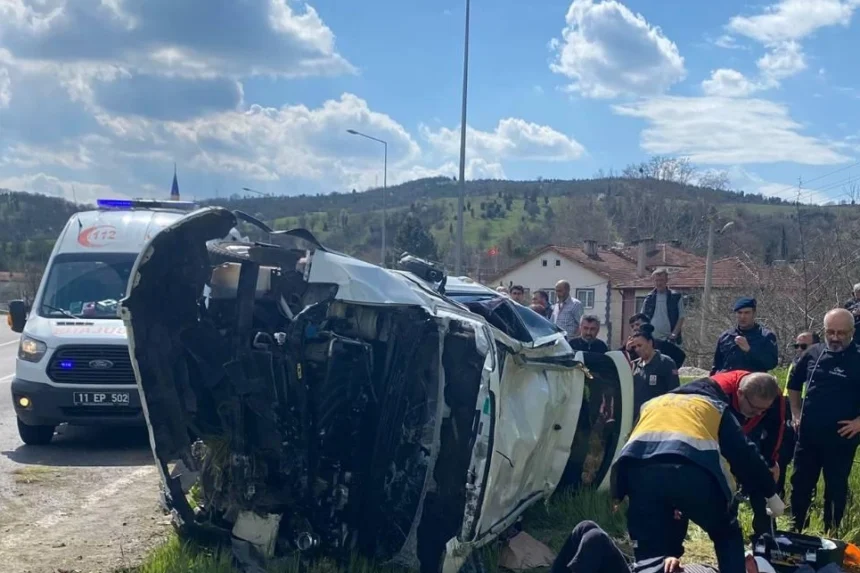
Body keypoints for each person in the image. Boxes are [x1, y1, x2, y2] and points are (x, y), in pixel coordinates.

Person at [612, 375, 784, 573]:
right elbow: (745, 454)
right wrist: (770, 492)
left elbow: (630, 442)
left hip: (638, 475)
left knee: (649, 552)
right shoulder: (713, 406)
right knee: (726, 534)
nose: (755, 415)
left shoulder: (654, 404)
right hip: (689, 472)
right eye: (754, 409)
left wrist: (619, 491)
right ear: (737, 394)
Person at [787, 308, 860, 534]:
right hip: (808, 434)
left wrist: (859, 422)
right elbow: (793, 384)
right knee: (800, 484)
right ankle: (797, 530)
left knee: (835, 488)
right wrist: (796, 413)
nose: (835, 337)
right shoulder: (812, 353)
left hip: (842, 437)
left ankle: (832, 533)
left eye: (841, 333)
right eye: (830, 332)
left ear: (852, 332)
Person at [710, 370, 785, 536]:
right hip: (717, 435)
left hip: (749, 432)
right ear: (740, 394)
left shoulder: (774, 396)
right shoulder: (718, 390)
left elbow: (776, 428)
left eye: (763, 410)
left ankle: (766, 535)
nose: (758, 413)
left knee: (760, 474)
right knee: (727, 484)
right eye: (755, 408)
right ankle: (728, 530)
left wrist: (771, 462)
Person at [550, 520, 775, 573]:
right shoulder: (713, 568)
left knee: (595, 539)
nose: (746, 558)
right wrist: (671, 561)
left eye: (752, 562)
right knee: (586, 528)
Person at [777, 331, 820, 495]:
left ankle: (806, 497)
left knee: (807, 461)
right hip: (789, 411)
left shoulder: (822, 364)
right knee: (780, 456)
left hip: (810, 410)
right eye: (797, 346)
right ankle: (777, 494)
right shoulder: (795, 363)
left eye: (804, 346)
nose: (800, 349)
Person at [711, 298, 778, 375]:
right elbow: (716, 366)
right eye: (739, 313)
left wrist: (749, 350)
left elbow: (771, 363)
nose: (742, 317)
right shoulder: (726, 337)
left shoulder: (766, 336)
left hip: (753, 382)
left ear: (754, 313)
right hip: (728, 381)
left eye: (747, 313)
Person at [631, 324, 680, 419]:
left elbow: (674, 392)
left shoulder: (665, 363)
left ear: (650, 343)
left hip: (657, 418)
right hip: (638, 419)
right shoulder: (635, 365)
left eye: (640, 345)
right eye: (635, 347)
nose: (637, 349)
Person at [622, 314, 687, 368]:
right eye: (632, 326)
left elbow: (680, 356)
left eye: (637, 325)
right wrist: (628, 351)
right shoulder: (629, 346)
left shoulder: (662, 345)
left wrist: (668, 371)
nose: (635, 328)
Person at [640, 269, 685, 346]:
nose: (659, 283)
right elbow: (642, 318)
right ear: (653, 281)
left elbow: (681, 317)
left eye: (661, 280)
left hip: (670, 340)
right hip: (652, 340)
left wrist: (674, 334)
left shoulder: (675, 297)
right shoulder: (649, 298)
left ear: (666, 280)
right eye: (656, 280)